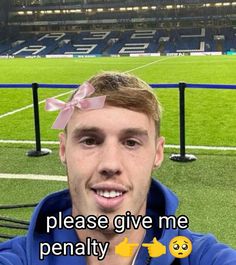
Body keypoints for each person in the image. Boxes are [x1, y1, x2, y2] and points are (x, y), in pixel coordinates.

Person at [0, 71, 235, 265]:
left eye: (131, 143)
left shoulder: (202, 257)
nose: (110, 164)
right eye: (90, 140)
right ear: (63, 150)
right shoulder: (18, 257)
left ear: (158, 153)